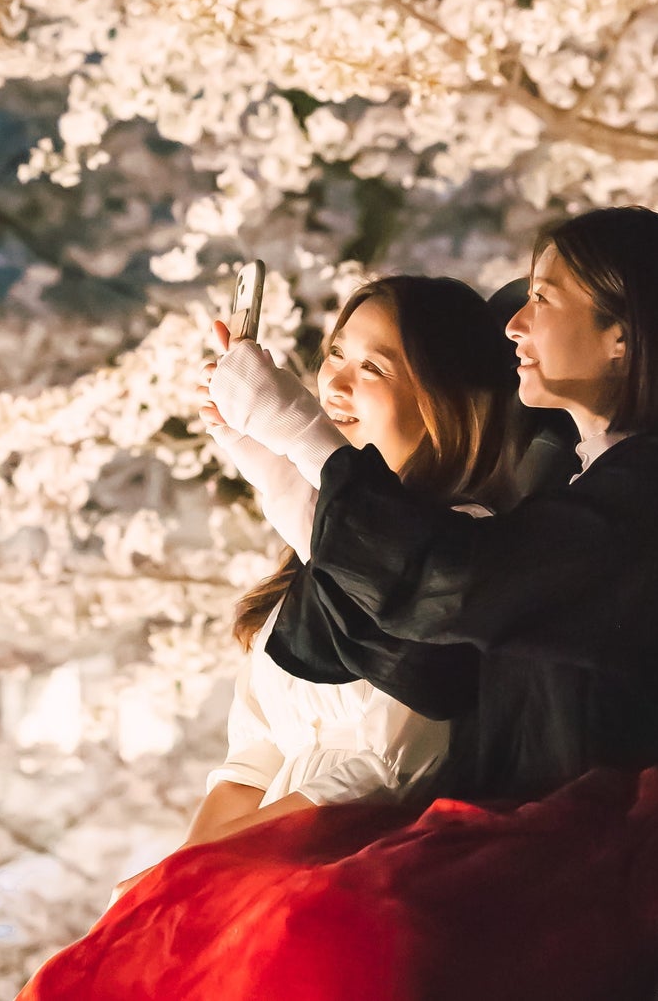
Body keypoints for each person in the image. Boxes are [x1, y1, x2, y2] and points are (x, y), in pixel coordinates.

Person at [20, 210, 658, 1001]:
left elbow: (444, 588)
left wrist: (298, 432)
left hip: (604, 832)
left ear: (623, 337)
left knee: (329, 933)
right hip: (530, 812)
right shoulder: (609, 487)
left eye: (545, 299)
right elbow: (417, 580)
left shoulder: (657, 494)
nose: (516, 322)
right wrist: (271, 459)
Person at [151, 276, 520, 882]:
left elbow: (382, 779)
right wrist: (168, 885)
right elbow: (252, 761)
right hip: (257, 867)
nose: (336, 385)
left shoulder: (466, 553)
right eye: (336, 354)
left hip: (356, 878)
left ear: (445, 400)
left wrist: (198, 875)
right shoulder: (317, 548)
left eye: (374, 367)